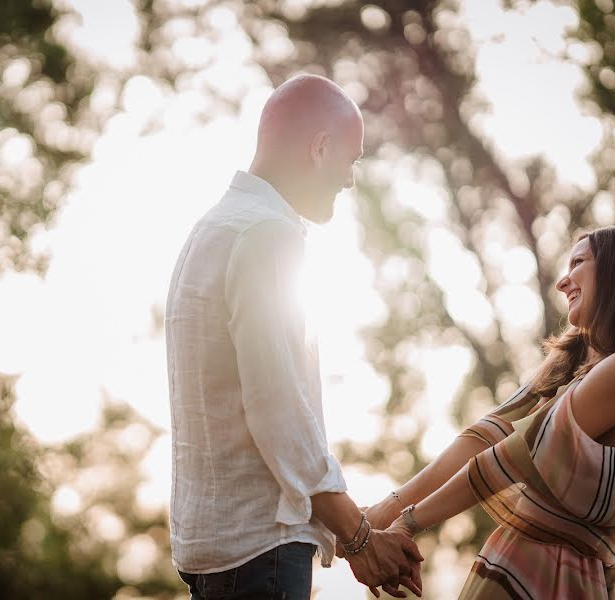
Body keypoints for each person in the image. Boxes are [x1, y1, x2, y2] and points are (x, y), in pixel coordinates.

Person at [165, 74, 423, 600]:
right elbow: (276, 407)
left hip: (214, 547)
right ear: (320, 148)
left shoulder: (212, 228)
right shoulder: (267, 234)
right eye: (350, 160)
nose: (350, 180)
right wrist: (359, 537)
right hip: (261, 551)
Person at [364, 223, 615, 599]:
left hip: (549, 575)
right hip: (517, 562)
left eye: (579, 262)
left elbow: (509, 458)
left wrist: (406, 525)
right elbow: (485, 435)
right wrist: (385, 510)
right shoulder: (581, 368)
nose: (562, 282)